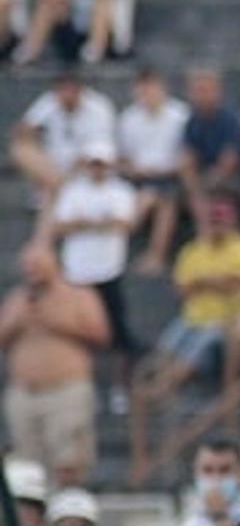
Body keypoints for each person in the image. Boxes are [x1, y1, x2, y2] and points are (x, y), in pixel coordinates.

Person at [0, 245, 109, 488]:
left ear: (54, 264)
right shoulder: (17, 299)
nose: (32, 271)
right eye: (28, 266)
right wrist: (19, 320)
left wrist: (57, 322)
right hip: (24, 393)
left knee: (69, 461)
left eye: (37, 264)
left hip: (66, 390)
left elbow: (101, 335)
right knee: (27, 468)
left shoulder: (79, 296)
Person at [50, 139, 138, 405]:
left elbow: (123, 223)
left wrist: (85, 223)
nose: (97, 169)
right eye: (93, 164)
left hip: (108, 270)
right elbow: (62, 226)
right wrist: (99, 223)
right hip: (77, 273)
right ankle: (85, 387)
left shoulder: (120, 191)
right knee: (79, 334)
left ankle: (119, 389)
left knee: (116, 333)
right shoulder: (73, 191)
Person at [157, 193, 240, 388]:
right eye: (213, 220)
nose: (216, 225)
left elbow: (236, 285)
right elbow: (182, 289)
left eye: (221, 220)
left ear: (231, 221)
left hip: (231, 316)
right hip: (194, 316)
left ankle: (163, 388)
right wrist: (213, 282)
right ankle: (161, 387)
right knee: (166, 345)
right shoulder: (192, 250)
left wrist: (203, 282)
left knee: (197, 347)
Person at [117, 68, 190, 274]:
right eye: (143, 89)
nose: (147, 93)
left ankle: (155, 255)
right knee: (148, 195)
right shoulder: (128, 118)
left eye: (151, 88)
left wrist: (167, 169)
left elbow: (187, 155)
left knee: (162, 197)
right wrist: (134, 169)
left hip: (171, 176)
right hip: (138, 178)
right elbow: (122, 158)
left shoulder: (181, 115)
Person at [10, 71, 116, 202]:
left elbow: (101, 148)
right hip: (53, 169)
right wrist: (31, 132)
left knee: (53, 195)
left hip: (86, 169)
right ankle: (58, 188)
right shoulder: (50, 101)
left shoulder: (99, 107)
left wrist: (75, 167)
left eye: (70, 91)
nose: (65, 95)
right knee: (22, 148)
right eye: (62, 91)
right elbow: (24, 128)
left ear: (80, 91)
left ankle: (59, 191)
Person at [180, 67, 240, 220]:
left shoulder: (230, 119)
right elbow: (187, 157)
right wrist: (191, 183)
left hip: (231, 178)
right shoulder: (192, 122)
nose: (201, 95)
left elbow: (229, 161)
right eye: (197, 91)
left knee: (208, 194)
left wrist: (203, 184)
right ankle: (204, 239)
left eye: (205, 90)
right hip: (203, 178)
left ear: (218, 91)